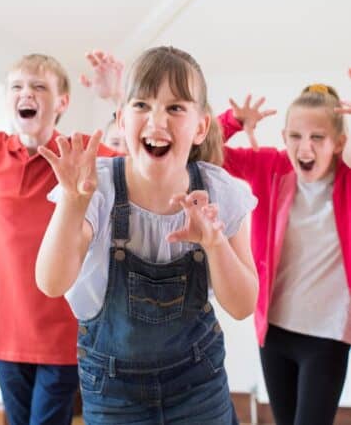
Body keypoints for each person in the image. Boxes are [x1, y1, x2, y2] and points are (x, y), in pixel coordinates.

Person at [36, 46, 259, 424]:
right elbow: (51, 282)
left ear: (201, 126)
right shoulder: (98, 187)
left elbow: (242, 305)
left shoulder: (222, 192)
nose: (157, 120)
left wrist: (215, 242)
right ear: (122, 120)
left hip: (199, 384)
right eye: (142, 105)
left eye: (175, 107)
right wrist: (74, 201)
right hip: (112, 391)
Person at [0, 51, 117, 425]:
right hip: (7, 332)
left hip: (64, 334)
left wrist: (117, 99)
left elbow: (137, 165)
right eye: (18, 87)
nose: (27, 94)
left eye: (40, 86)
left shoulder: (78, 152)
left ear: (62, 102)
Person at [219, 78, 351, 425]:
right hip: (274, 331)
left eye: (317, 138)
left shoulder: (349, 183)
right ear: (284, 138)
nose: (305, 148)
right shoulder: (270, 167)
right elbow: (204, 152)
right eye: (296, 136)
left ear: (339, 143)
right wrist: (231, 121)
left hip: (329, 336)